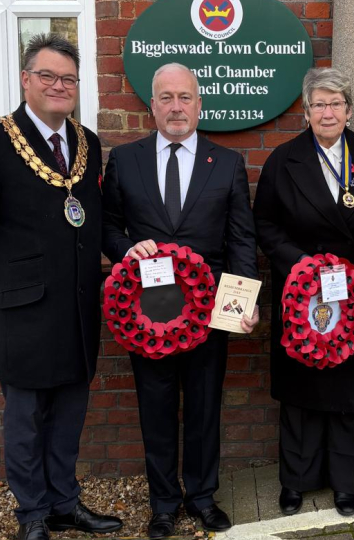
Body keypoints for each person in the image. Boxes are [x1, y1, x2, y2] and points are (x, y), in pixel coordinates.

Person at [0, 35, 122, 540]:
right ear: (26, 80)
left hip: (78, 310)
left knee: (68, 415)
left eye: (68, 78)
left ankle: (64, 502)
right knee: (26, 421)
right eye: (48, 76)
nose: (59, 86)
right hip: (20, 313)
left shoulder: (87, 142)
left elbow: (89, 219)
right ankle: (32, 514)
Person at [101, 62, 259, 539]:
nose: (175, 106)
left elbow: (241, 243)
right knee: (156, 406)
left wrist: (242, 303)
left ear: (199, 104)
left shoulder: (226, 163)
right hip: (147, 313)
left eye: (184, 97)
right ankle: (164, 503)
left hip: (209, 313)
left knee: (206, 406)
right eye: (165, 97)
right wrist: (128, 249)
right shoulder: (125, 160)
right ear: (152, 106)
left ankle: (204, 497)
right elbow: (107, 227)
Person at [253, 67, 354, 518]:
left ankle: (347, 483)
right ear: (307, 111)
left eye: (335, 103)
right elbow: (265, 224)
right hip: (304, 292)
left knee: (351, 394)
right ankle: (296, 481)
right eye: (319, 104)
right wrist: (300, 263)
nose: (327, 111)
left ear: (349, 111)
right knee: (302, 390)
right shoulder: (284, 159)